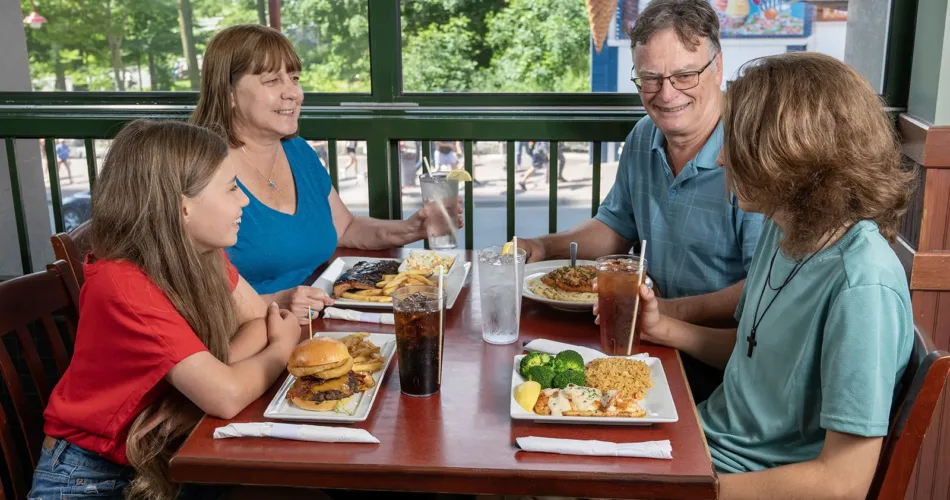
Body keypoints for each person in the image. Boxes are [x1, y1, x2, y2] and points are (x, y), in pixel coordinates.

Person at [634, 52, 914, 497]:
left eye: (737, 141)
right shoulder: (783, 229)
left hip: (734, 480)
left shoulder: (862, 286)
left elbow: (843, 483)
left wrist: (693, 492)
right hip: (702, 443)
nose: (723, 158)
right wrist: (663, 327)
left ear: (791, 152)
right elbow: (759, 359)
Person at [28, 120, 303, 500]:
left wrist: (199, 392)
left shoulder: (200, 253)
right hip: (92, 481)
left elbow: (258, 320)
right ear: (182, 208)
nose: (244, 200)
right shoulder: (122, 284)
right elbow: (226, 395)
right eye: (231, 188)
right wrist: (282, 347)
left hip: (166, 460)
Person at [520, 0, 764, 400]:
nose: (667, 95)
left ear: (718, 68)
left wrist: (665, 313)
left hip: (723, 365)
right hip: (650, 342)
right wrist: (543, 246)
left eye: (685, 75)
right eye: (650, 78)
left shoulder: (755, 151)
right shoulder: (642, 136)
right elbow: (615, 226)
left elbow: (762, 286)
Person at [190, 25, 462, 324]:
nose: (293, 93)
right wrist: (277, 301)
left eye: (294, 79)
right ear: (228, 93)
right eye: (272, 80)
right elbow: (191, 299)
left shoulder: (299, 152)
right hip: (249, 336)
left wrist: (413, 228)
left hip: (322, 320)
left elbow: (346, 228)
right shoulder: (201, 169)